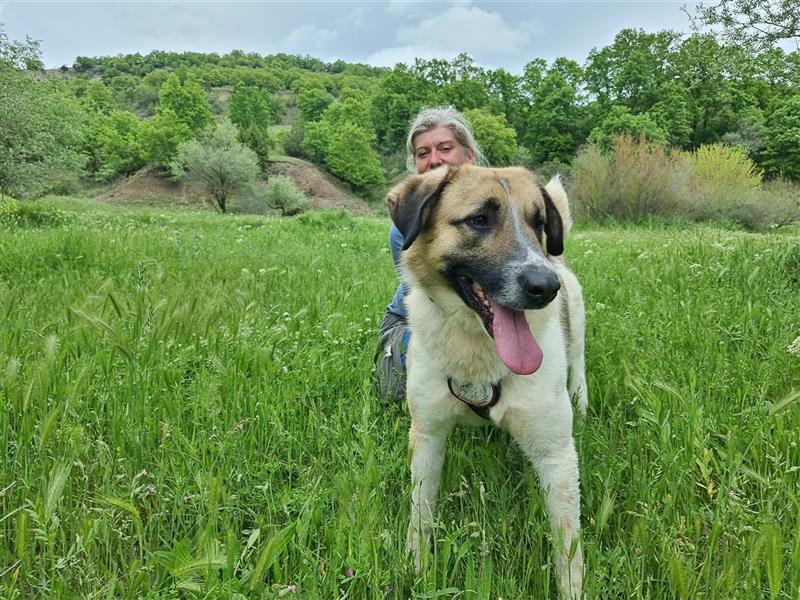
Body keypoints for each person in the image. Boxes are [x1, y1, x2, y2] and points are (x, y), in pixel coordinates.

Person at [375, 105, 485, 404]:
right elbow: (432, 300)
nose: (434, 159)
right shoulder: (407, 226)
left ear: (468, 155)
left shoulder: (496, 209)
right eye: (423, 153)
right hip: (415, 317)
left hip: (483, 310)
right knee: (394, 396)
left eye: (445, 148)